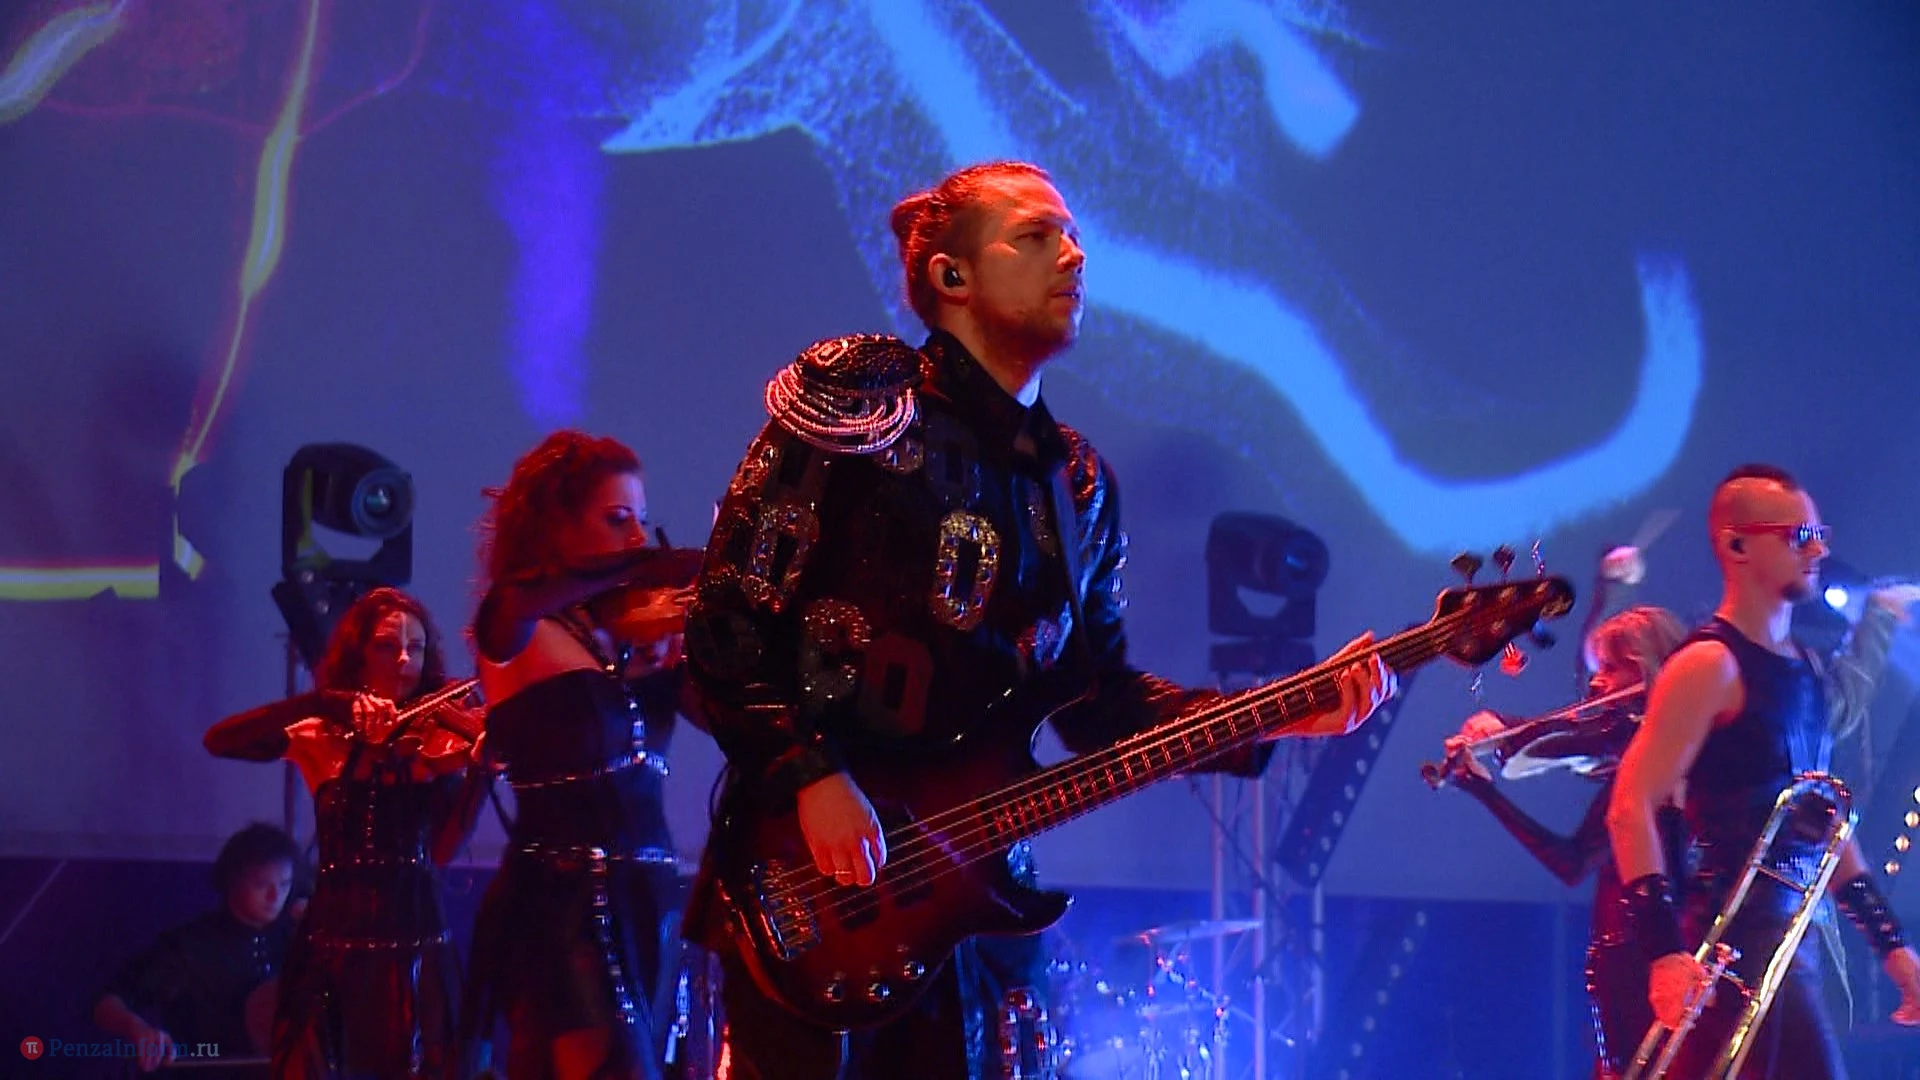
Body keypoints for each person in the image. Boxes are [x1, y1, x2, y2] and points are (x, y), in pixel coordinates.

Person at [679, 160, 1395, 1080]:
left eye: (1073, 234)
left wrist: (1281, 713)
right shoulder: (861, 404)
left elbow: (1100, 704)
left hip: (973, 909)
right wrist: (808, 774)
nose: (1074, 253)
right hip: (814, 892)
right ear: (951, 276)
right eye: (1036, 235)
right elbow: (726, 622)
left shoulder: (1077, 482)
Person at [1606, 464, 1920, 1078]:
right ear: (1737, 545)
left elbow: (1825, 824)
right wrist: (1664, 953)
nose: (1818, 550)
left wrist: (1892, 947)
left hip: (1790, 946)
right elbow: (1630, 804)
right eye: (1799, 535)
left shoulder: (1806, 669)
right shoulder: (1709, 665)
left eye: (1819, 534)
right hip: (1730, 948)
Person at [460, 429, 705, 1080]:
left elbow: (715, 721)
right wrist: (647, 566)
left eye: (643, 521)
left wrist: (692, 655)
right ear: (555, 528)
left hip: (650, 901)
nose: (638, 537)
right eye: (617, 519)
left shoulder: (626, 637)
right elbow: (516, 599)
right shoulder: (519, 627)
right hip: (565, 904)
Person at [203, 587, 488, 1078]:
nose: (404, 659)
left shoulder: (439, 737)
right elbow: (221, 740)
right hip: (332, 947)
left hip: (416, 943)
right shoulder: (321, 737)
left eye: (415, 648)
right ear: (359, 655)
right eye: (386, 646)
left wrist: (481, 775)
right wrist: (321, 702)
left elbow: (442, 851)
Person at [1444, 605, 1688, 1078]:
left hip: (1653, 962)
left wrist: (1507, 733)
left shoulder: (1662, 755)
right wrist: (1482, 786)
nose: (1597, 683)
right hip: (1621, 965)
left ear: (1650, 670)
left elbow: (1582, 743)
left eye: (1612, 668)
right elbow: (1573, 862)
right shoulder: (1632, 770)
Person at [93, 823, 300, 1073]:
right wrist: (138, 1029)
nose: (275, 897)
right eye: (261, 884)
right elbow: (106, 1001)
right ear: (232, 881)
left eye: (284, 884)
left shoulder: (297, 936)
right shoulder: (188, 946)